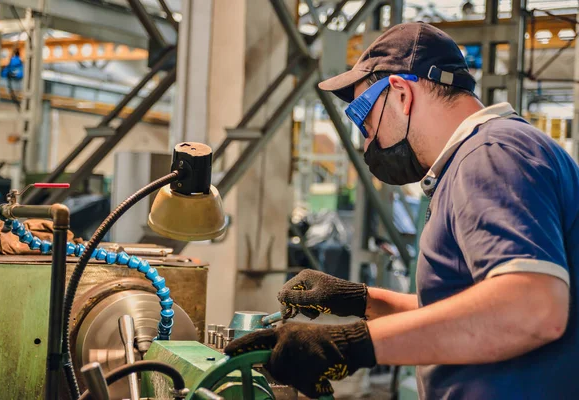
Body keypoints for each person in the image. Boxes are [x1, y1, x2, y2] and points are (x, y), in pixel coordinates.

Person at [225, 22, 579, 399]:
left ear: (400, 93)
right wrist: (362, 300)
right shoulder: (481, 157)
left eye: (363, 117)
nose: (366, 140)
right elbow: (461, 312)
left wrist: (349, 344)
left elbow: (531, 307)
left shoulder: (490, 155)